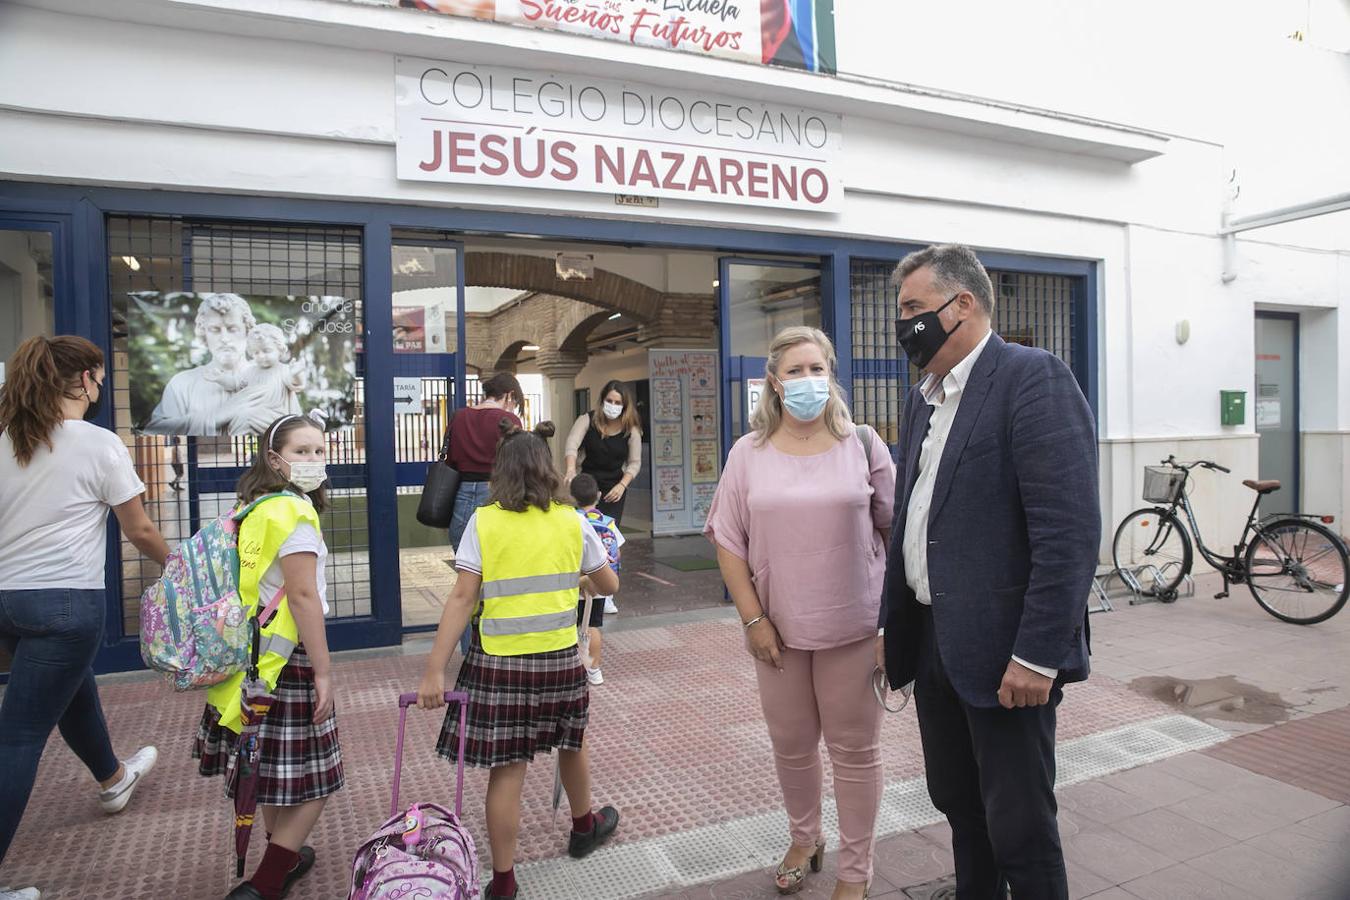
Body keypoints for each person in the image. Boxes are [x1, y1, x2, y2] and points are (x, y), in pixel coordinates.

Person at [878, 244, 1099, 900]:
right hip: (935, 639)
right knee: (958, 803)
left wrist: (1038, 655)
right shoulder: (924, 398)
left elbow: (1069, 536)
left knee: (1021, 824)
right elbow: (917, 516)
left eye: (915, 309)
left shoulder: (1033, 378)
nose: (905, 325)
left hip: (1008, 655)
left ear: (963, 304)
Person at [704, 326, 895, 900]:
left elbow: (895, 531)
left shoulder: (863, 444)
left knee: (855, 752)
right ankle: (804, 837)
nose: (808, 380)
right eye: (796, 371)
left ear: (831, 375)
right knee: (791, 744)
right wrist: (754, 620)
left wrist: (889, 625)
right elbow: (728, 541)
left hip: (854, 628)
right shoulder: (748, 453)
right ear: (774, 382)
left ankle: (855, 872)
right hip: (778, 632)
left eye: (817, 368)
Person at [418, 420, 621, 900]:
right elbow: (608, 584)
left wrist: (433, 670)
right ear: (548, 471)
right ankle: (583, 825)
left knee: (507, 770)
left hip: (499, 664)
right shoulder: (572, 521)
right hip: (557, 661)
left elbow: (462, 598)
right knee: (572, 743)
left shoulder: (483, 521)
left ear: (499, 472)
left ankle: (504, 882)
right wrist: (579, 577)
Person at [0, 336, 170, 900]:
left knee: (71, 689)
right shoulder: (97, 444)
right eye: (97, 379)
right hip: (66, 602)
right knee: (19, 736)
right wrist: (184, 567)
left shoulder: (6, 440)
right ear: (85, 381)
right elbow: (140, 529)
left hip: (7, 600)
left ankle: (114, 780)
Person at [193, 412, 342, 900]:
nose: (313, 460)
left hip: (250, 659)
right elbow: (302, 597)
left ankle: (287, 856)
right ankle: (266, 882)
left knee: (274, 770)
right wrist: (323, 670)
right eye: (301, 451)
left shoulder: (253, 507)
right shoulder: (295, 513)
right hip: (288, 661)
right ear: (274, 458)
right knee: (317, 778)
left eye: (319, 451)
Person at [445, 372, 524, 654]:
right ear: (509, 396)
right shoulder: (510, 422)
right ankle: (498, 645)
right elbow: (517, 464)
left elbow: (451, 458)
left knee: (468, 581)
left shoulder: (459, 417)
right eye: (515, 402)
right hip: (499, 495)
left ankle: (470, 650)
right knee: (501, 576)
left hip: (462, 497)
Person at [145, 293, 264, 436]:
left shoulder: (269, 378)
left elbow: (290, 429)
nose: (225, 339)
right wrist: (214, 418)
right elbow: (154, 431)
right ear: (204, 333)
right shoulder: (182, 383)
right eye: (215, 330)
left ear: (247, 331)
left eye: (232, 329)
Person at [569, 473, 624, 686]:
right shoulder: (608, 522)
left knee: (573, 628)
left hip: (577, 583)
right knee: (592, 626)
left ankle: (576, 668)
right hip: (600, 583)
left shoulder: (572, 521)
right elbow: (617, 553)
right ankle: (594, 670)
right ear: (599, 496)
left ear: (571, 497)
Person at [563, 380, 641, 527]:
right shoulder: (587, 420)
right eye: (609, 401)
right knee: (584, 529)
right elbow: (572, 444)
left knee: (608, 533)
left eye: (618, 403)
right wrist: (570, 469)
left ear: (625, 405)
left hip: (614, 489)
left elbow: (634, 463)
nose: (613, 405)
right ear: (603, 401)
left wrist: (622, 485)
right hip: (587, 486)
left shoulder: (631, 430)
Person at [225, 324, 304, 435]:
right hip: (254, 411)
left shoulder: (283, 370)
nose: (261, 356)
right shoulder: (250, 371)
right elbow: (236, 384)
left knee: (244, 417)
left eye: (266, 351)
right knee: (237, 416)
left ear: (280, 350)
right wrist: (221, 380)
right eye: (256, 352)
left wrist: (296, 374)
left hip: (277, 416)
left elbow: (296, 384)